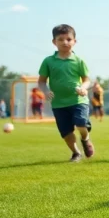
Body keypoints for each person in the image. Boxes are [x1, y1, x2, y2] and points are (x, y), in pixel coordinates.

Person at [37, 24, 94, 162]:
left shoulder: (79, 61)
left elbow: (87, 80)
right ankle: (76, 153)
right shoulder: (48, 61)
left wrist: (84, 88)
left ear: (75, 41)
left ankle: (85, 139)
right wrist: (45, 91)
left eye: (69, 39)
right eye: (61, 39)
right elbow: (41, 81)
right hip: (58, 104)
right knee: (66, 133)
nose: (65, 42)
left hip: (78, 100)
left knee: (81, 124)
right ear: (54, 42)